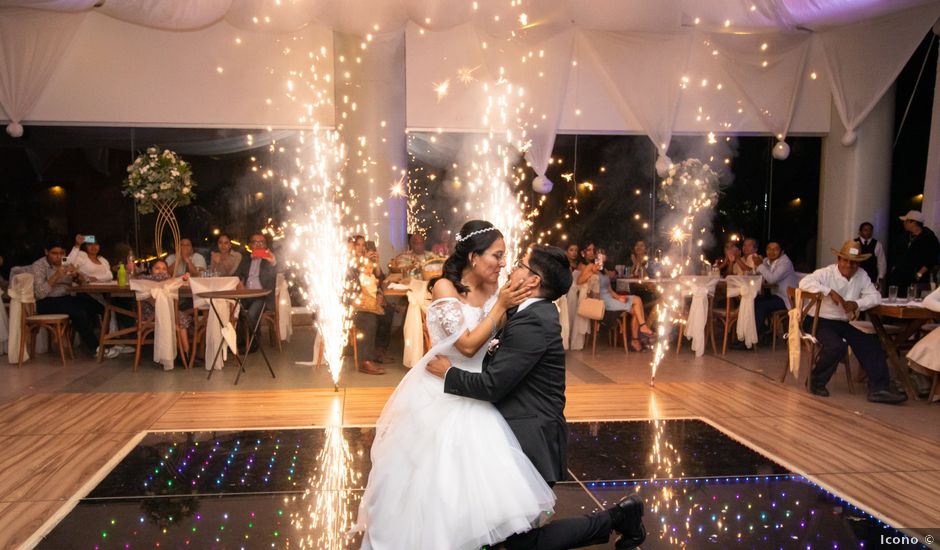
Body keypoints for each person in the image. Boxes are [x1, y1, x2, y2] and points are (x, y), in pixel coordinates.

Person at [426, 243, 647, 550]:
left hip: (533, 440)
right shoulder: (526, 311)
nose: (511, 268)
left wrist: (449, 373)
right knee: (499, 534)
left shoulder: (534, 322)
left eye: (519, 264)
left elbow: (492, 385)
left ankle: (620, 518)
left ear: (532, 281)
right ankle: (620, 517)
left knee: (520, 543)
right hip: (515, 433)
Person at [352, 220, 556, 549]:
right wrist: (502, 306)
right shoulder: (444, 287)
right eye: (497, 255)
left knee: (478, 486)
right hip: (439, 389)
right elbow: (465, 345)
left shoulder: (497, 290)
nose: (504, 263)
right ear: (474, 257)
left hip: (477, 389)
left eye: (506, 257)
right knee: (430, 479)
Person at [798, 241, 907, 403]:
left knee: (871, 342)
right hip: (817, 320)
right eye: (845, 260)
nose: (849, 265)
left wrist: (857, 304)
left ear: (858, 263)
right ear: (839, 259)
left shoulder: (861, 275)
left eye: (853, 262)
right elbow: (804, 283)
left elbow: (875, 297)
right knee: (837, 346)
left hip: (841, 323)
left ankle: (879, 388)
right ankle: (815, 382)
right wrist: (830, 292)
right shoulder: (826, 273)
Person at [29, 239, 111, 357]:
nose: (59, 257)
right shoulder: (39, 265)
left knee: (101, 307)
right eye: (54, 253)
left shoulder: (65, 261)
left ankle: (108, 342)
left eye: (61, 253)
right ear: (46, 252)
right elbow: (39, 293)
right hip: (47, 301)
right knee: (79, 312)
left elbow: (82, 282)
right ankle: (96, 348)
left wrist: (77, 276)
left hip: (67, 297)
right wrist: (56, 276)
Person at [134, 259, 194, 362]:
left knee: (180, 319)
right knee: (180, 319)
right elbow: (161, 277)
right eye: (157, 268)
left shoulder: (168, 282)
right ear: (150, 270)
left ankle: (184, 353)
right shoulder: (145, 279)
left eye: (164, 269)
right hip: (150, 315)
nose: (161, 271)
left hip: (167, 313)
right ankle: (184, 354)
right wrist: (178, 279)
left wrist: (178, 280)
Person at [234, 233, 278, 353]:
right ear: (250, 245)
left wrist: (273, 262)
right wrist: (240, 283)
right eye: (255, 242)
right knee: (233, 311)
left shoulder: (269, 259)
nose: (258, 244)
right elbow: (236, 275)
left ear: (265, 245)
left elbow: (278, 270)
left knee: (252, 314)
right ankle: (238, 343)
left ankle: (253, 344)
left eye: (261, 242)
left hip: (262, 296)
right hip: (246, 295)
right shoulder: (246, 259)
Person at [600, 262, 653, 351]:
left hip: (610, 297)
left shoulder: (603, 270)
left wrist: (619, 297)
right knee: (637, 310)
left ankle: (639, 332)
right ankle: (637, 336)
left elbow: (610, 290)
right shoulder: (590, 270)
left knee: (637, 299)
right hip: (603, 300)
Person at [888, 211, 940, 296]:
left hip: (916, 276)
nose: (904, 223)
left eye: (906, 221)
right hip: (900, 276)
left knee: (912, 299)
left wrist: (919, 273)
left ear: (913, 222)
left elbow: (932, 258)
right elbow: (897, 253)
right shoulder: (904, 237)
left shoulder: (929, 238)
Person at [754, 241, 800, 336]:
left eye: (775, 249)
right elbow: (760, 276)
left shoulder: (785, 263)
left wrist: (760, 266)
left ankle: (757, 336)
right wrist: (761, 265)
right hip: (775, 295)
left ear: (782, 252)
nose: (771, 252)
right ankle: (763, 332)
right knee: (752, 301)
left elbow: (771, 279)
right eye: (769, 249)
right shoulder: (767, 261)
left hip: (786, 299)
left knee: (759, 305)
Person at [570, 242, 602, 351]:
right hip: (575, 295)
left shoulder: (591, 265)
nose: (591, 252)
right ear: (583, 252)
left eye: (593, 250)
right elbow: (579, 281)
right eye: (588, 250)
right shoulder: (586, 265)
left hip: (580, 295)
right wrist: (591, 272)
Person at [855, 222, 886, 290]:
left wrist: (880, 278)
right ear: (860, 231)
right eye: (865, 230)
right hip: (856, 277)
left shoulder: (877, 244)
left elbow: (881, 262)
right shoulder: (854, 243)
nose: (868, 232)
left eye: (870, 230)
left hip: (872, 278)